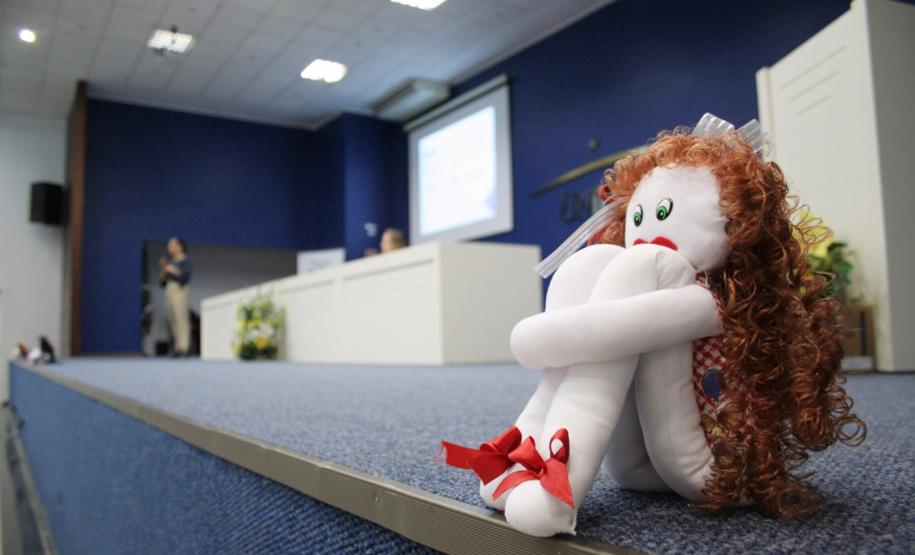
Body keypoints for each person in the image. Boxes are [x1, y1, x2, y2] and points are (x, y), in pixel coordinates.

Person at [159, 237, 192, 357]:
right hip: (169, 289)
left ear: (180, 246)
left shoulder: (184, 261)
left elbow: (185, 277)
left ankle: (184, 347)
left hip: (180, 290)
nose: (170, 248)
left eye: (172, 245)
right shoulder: (171, 262)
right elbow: (162, 282)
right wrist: (164, 270)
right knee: (172, 318)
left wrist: (170, 269)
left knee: (181, 318)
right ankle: (177, 346)